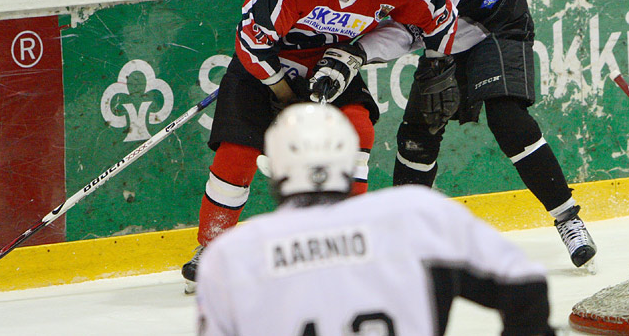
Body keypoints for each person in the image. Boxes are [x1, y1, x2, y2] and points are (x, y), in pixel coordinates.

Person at [181, 0, 458, 292]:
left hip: (329, 64)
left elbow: (440, 16)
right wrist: (284, 94)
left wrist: (438, 66)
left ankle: (347, 243)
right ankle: (210, 248)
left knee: (358, 131)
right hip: (270, 66)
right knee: (237, 152)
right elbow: (250, 45)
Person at [362, 0, 596, 268]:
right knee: (417, 137)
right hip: (446, 40)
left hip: (495, 27)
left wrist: (361, 50)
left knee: (507, 118)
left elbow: (412, 32)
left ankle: (569, 220)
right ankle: (407, 235)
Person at [195, 103, 557, 336]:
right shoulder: (414, 214)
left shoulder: (233, 256)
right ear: (348, 160)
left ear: (274, 170)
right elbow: (524, 286)